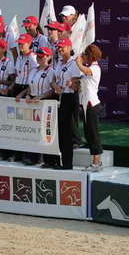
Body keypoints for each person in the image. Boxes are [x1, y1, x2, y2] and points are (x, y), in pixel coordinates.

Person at [15, 47, 56, 165]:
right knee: (31, 130)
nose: (39, 58)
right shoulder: (33, 70)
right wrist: (27, 95)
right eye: (38, 56)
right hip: (32, 103)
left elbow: (52, 90)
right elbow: (30, 86)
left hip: (44, 103)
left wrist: (40, 96)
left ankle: (41, 157)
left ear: (48, 57)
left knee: (42, 130)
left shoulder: (51, 71)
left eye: (42, 56)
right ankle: (30, 156)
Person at [51, 38, 81, 170]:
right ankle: (62, 162)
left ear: (69, 47)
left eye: (62, 47)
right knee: (61, 132)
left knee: (67, 132)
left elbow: (77, 85)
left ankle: (68, 164)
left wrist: (70, 84)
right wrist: (55, 86)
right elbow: (53, 79)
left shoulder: (73, 64)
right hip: (60, 98)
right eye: (58, 47)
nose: (60, 49)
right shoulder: (58, 63)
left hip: (70, 98)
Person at [75, 44, 103, 172]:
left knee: (93, 133)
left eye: (85, 55)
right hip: (86, 105)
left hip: (92, 104)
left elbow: (85, 71)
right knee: (88, 134)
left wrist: (78, 62)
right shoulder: (89, 68)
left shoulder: (95, 68)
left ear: (90, 56)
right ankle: (95, 161)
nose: (84, 57)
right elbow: (82, 77)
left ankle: (96, 163)